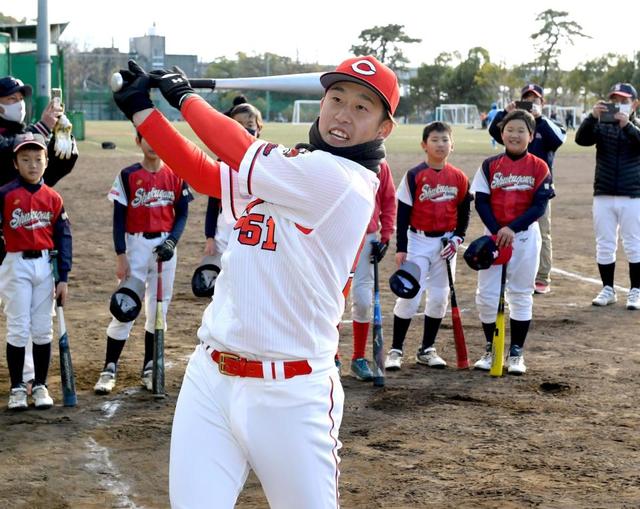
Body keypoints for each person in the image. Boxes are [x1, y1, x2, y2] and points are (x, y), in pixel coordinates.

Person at [110, 55, 397, 508]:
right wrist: (142, 111)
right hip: (211, 378)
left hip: (291, 394)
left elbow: (238, 148)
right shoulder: (292, 166)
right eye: (336, 98)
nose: (343, 113)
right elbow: (206, 173)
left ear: (383, 130)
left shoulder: (344, 181)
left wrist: (184, 98)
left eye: (363, 107)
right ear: (321, 103)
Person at [93, 131, 193, 394]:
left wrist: (172, 241)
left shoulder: (175, 173)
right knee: (125, 307)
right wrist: (120, 254)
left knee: (158, 310)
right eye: (147, 138)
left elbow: (182, 213)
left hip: (164, 249)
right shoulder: (128, 175)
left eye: (157, 138)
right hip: (135, 246)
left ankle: (150, 366)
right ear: (138, 142)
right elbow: (119, 218)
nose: (152, 143)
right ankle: (109, 368)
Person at [0, 76, 78, 392]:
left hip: (28, 235)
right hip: (8, 241)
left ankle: (31, 380)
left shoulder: (24, 135)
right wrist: (43, 129)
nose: (16, 102)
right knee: (18, 319)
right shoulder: (12, 139)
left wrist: (65, 146)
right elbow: (6, 155)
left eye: (20, 97)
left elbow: (46, 176)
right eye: (8, 99)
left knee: (33, 320)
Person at [383, 122, 471, 370]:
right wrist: (401, 248)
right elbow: (403, 214)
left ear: (452, 145)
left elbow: (464, 212)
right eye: (435, 139)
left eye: (445, 140)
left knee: (440, 297)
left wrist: (457, 239)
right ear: (424, 145)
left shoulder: (459, 177)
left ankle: (427, 349)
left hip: (446, 243)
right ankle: (396, 349)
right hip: (418, 241)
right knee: (409, 295)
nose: (440, 144)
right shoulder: (414, 175)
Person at [471, 109, 553, 375]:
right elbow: (481, 201)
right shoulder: (489, 165)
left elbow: (539, 206)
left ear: (530, 136)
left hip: (525, 237)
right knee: (486, 296)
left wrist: (512, 228)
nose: (514, 135)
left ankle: (516, 351)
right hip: (493, 238)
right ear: (501, 133)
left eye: (521, 131)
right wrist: (497, 230)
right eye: (510, 130)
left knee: (520, 293)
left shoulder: (539, 166)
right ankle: (491, 348)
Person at [489, 84, 566, 295]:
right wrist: (506, 112)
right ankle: (510, 270)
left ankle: (542, 276)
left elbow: (558, 139)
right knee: (510, 228)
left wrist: (539, 119)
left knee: (542, 231)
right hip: (512, 185)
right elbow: (494, 131)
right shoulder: (513, 125)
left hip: (539, 187)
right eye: (526, 98)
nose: (531, 102)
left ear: (542, 102)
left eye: (535, 99)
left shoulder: (550, 124)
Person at [575, 82, 640, 309]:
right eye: (615, 100)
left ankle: (636, 290)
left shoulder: (636, 126)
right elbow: (581, 139)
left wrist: (628, 126)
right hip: (603, 193)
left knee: (634, 244)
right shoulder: (602, 126)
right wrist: (592, 117)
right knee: (604, 243)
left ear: (635, 104)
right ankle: (608, 288)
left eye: (624, 101)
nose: (619, 105)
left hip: (633, 195)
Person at [348, 158, 395, 380]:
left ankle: (358, 357)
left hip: (367, 238)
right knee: (332, 300)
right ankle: (332, 357)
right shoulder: (330, 156)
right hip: (336, 237)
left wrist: (385, 236)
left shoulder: (378, 163)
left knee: (364, 300)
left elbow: (387, 200)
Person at [203, 102, 263, 263]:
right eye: (238, 125)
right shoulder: (222, 161)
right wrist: (209, 236)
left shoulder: (266, 160)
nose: (244, 129)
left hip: (256, 227)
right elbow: (213, 203)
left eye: (249, 124)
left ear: (259, 128)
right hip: (226, 226)